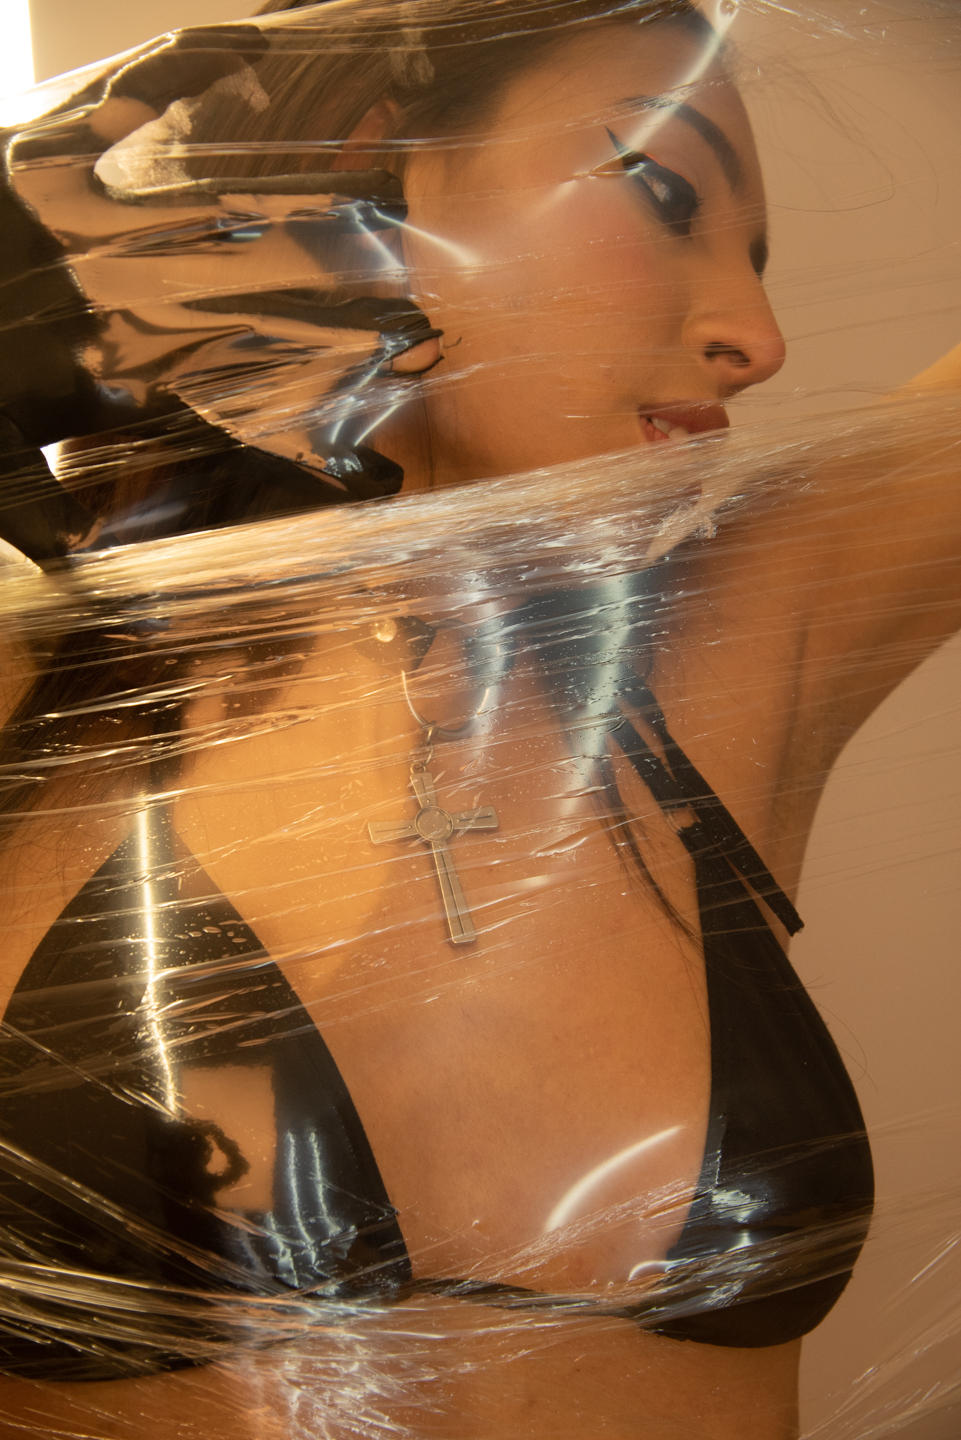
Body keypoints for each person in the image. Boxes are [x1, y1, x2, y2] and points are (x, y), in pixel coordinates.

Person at [0, 1, 957, 1436]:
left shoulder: (744, 630)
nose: (756, 339)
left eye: (755, 260)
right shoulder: (41, 690)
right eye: (666, 196)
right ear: (377, 172)